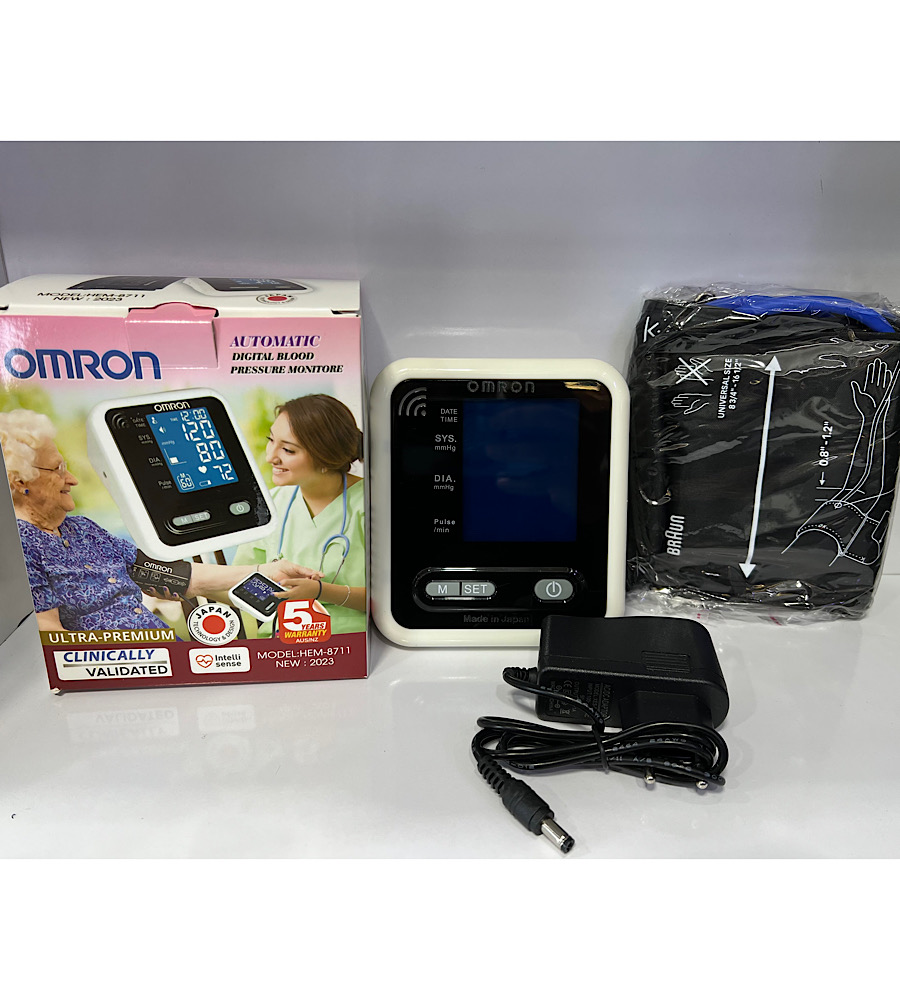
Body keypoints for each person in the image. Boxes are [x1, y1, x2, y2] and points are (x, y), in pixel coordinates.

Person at [0, 409, 314, 632]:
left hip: (164, 651)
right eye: (57, 469)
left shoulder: (83, 529)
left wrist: (264, 571)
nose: (72, 479)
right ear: (20, 481)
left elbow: (169, 575)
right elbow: (49, 636)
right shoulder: (20, 547)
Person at [234, 394, 366, 636]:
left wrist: (321, 591)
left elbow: (399, 598)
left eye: (288, 450)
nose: (271, 457)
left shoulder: (371, 505)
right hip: (279, 643)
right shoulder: (271, 504)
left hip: (349, 642)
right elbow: (237, 583)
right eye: (270, 441)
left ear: (325, 456)